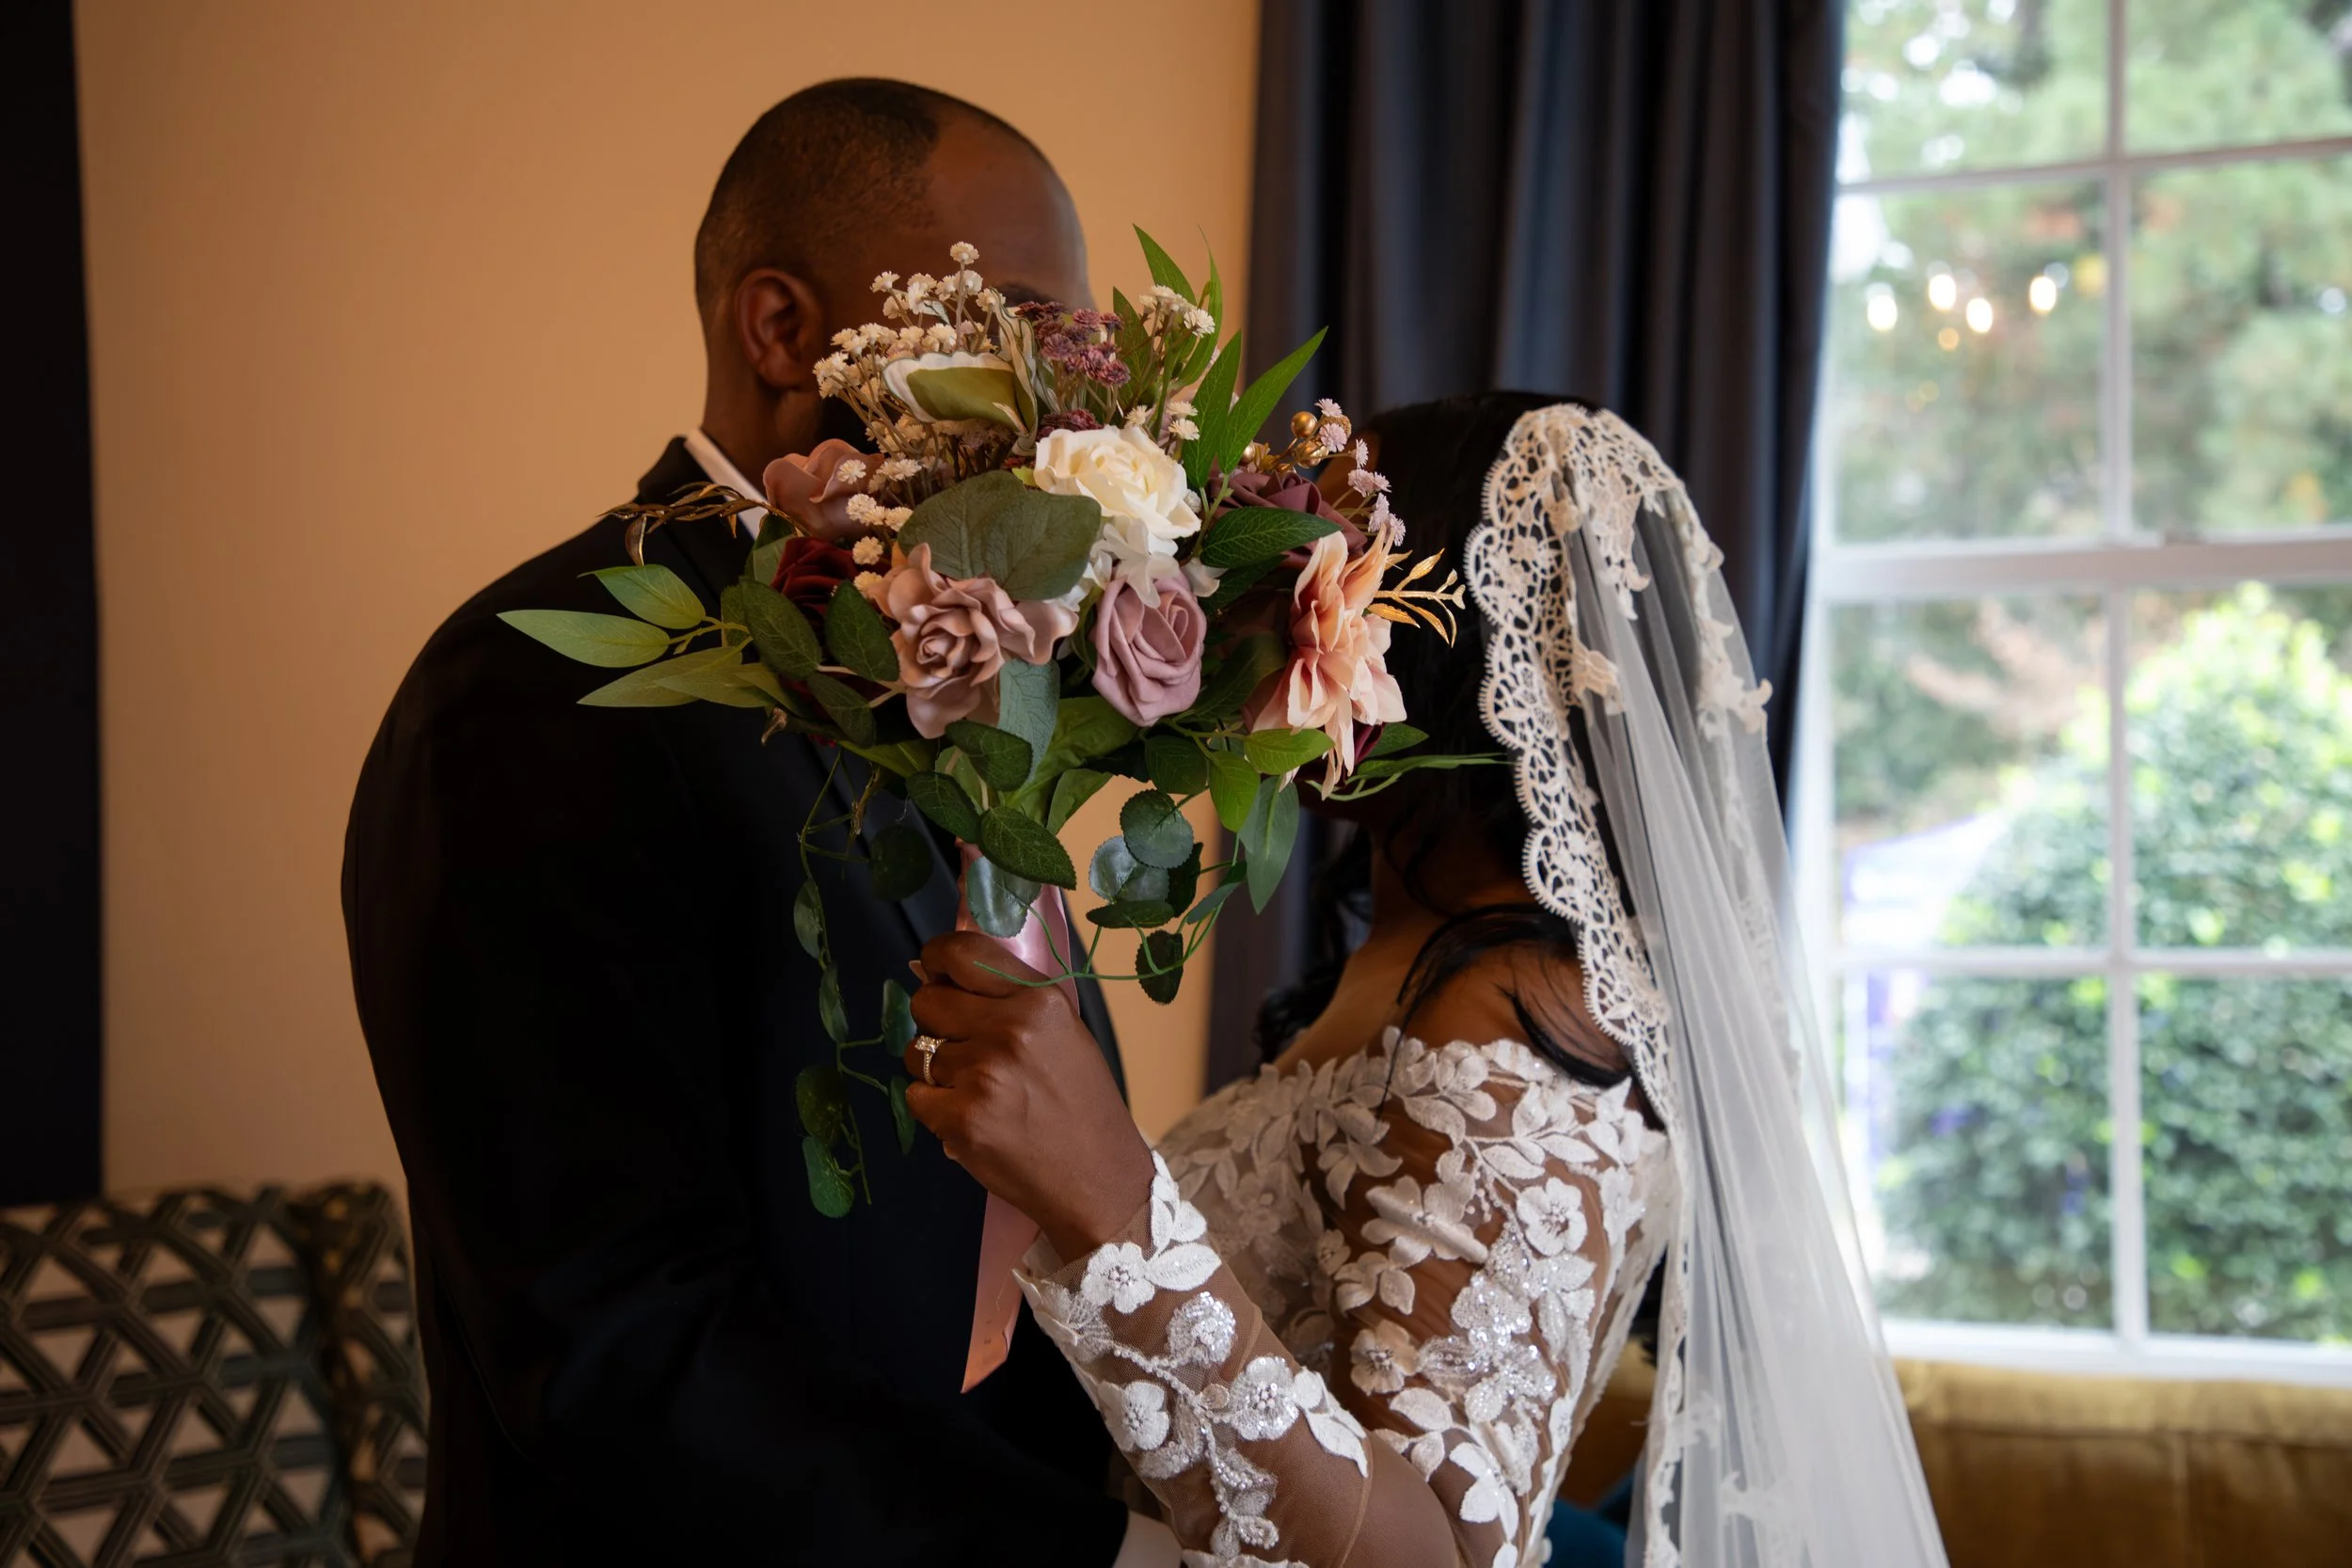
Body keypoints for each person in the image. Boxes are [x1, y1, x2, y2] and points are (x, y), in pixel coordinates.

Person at [904, 392, 1953, 1567]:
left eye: (1305, 584)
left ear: (1429, 636)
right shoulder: (1410, 971)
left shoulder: (1510, 1014)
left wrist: (1111, 1206)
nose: (1249, 625)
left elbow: (1442, 1554)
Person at [342, 80, 1142, 1566]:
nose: (1067, 395)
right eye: (1018, 321)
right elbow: (616, 1340)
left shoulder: (958, 648)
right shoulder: (537, 688)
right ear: (782, 330)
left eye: (1076, 341)